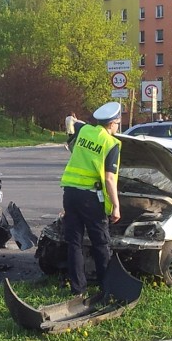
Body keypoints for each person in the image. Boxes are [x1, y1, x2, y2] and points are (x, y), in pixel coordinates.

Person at [60, 101, 122, 297]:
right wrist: (116, 206)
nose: (118, 127)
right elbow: (110, 179)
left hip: (70, 193)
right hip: (90, 198)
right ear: (112, 123)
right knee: (101, 243)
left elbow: (71, 121)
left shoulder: (85, 130)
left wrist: (72, 124)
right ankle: (107, 287)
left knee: (74, 243)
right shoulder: (111, 144)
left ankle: (77, 289)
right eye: (118, 123)